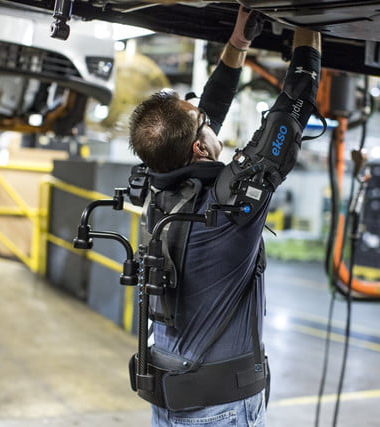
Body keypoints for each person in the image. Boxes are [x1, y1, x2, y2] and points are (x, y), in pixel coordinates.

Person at [128, 7, 321, 426]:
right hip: (221, 411)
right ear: (200, 148)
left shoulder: (157, 188)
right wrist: (311, 19)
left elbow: (203, 117)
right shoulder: (231, 204)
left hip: (170, 402)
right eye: (202, 123)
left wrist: (238, 44)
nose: (208, 119)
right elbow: (296, 104)